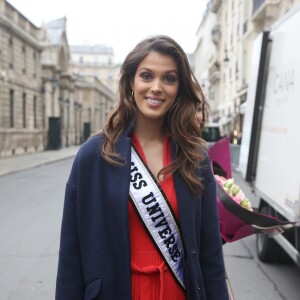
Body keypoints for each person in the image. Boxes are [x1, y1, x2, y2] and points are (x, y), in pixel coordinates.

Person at [55, 35, 229, 300]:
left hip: (178, 291)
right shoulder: (94, 156)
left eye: (169, 78)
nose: (156, 87)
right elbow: (71, 253)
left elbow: (210, 252)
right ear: (131, 82)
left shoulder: (194, 158)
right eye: (147, 76)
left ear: (179, 88)